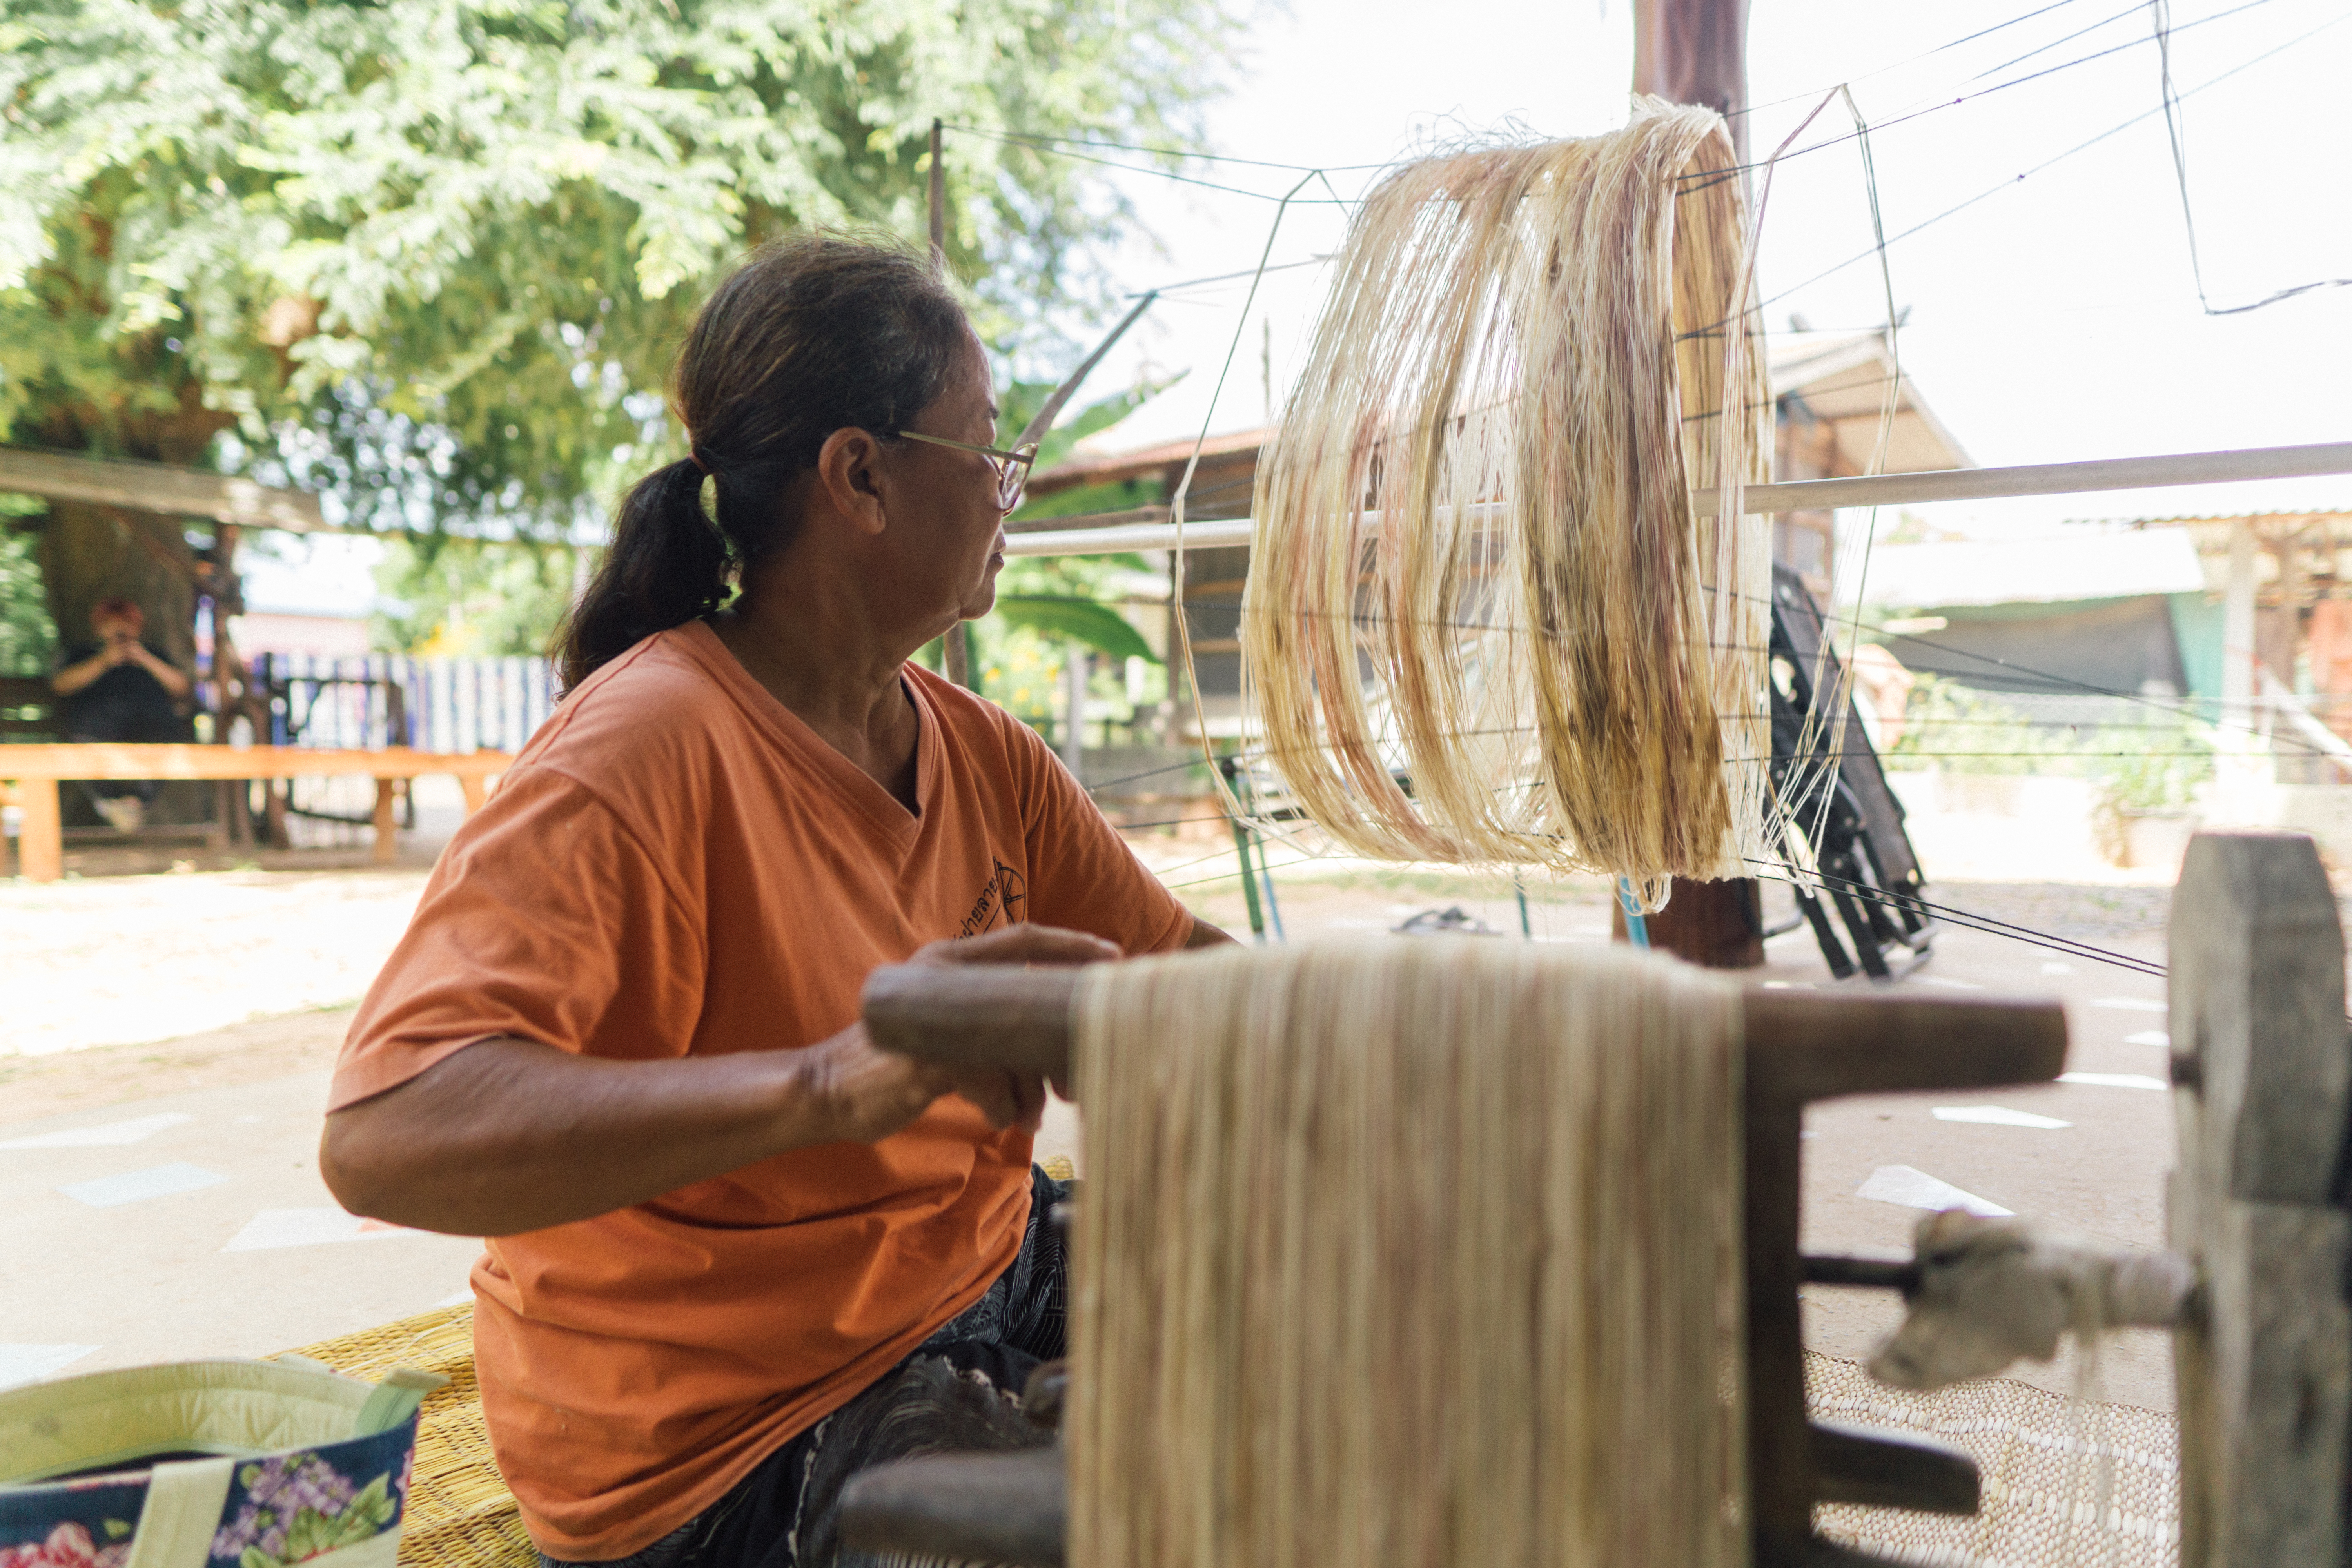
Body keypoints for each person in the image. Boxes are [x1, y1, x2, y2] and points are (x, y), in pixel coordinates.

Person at [319, 235, 1230, 1568]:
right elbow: (385, 1132)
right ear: (861, 475)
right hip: (730, 1431)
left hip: (970, 1272)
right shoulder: (640, 753)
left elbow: (1189, 982)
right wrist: (826, 1089)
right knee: (1211, 1513)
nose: (1006, 500)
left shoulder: (983, 756)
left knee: (1328, 1301)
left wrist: (1388, 1034)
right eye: (992, 458)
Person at [49, 596, 194, 831]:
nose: (121, 630)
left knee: (167, 744)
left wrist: (144, 658)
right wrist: (105, 661)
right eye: (112, 624)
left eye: (127, 624)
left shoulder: (153, 654)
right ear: (99, 628)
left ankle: (138, 802)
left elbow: (181, 687)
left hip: (153, 732)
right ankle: (110, 803)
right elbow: (61, 685)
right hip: (96, 732)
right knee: (82, 747)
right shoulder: (83, 653)